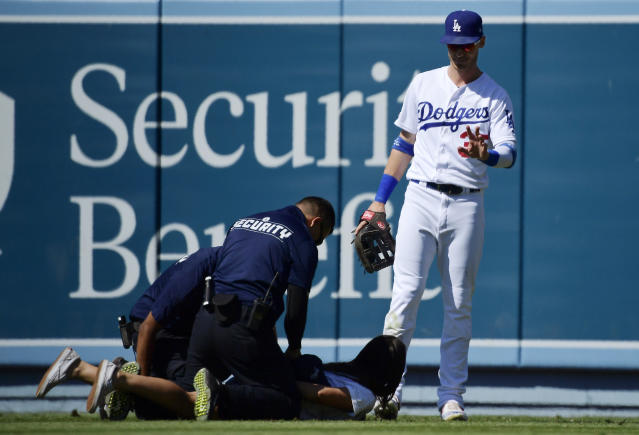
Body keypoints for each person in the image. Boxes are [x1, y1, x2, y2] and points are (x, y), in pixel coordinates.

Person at [358, 10, 517, 421]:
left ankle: (451, 396)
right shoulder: (423, 83)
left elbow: (510, 153)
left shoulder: (495, 95)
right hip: (421, 197)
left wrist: (489, 155)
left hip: (467, 202)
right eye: (452, 44)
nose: (458, 51)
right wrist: (379, 200)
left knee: (459, 302)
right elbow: (404, 144)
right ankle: (387, 390)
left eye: (465, 45)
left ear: (480, 42)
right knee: (404, 296)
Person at [181, 196, 335, 420]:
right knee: (286, 398)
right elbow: (296, 305)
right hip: (243, 324)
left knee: (184, 396)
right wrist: (294, 348)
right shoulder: (302, 239)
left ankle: (128, 384)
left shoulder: (243, 222)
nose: (317, 244)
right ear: (315, 222)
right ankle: (218, 393)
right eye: (321, 238)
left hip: (205, 318)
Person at [36, 246, 221, 420]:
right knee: (186, 401)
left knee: (173, 403)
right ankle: (109, 376)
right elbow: (148, 327)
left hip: (169, 336)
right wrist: (140, 381)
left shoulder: (218, 261)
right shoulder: (203, 263)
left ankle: (86, 370)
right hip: (158, 335)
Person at [34, 335, 405, 421]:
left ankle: (84, 370)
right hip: (273, 392)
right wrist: (270, 382)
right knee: (194, 403)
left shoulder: (346, 372)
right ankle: (115, 379)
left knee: (178, 404)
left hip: (266, 376)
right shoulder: (364, 396)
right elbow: (319, 394)